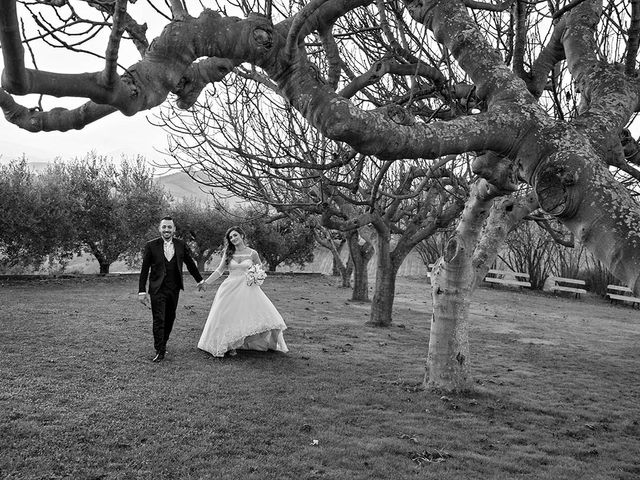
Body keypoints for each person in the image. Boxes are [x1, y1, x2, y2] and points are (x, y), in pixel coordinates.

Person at [197, 226, 288, 358]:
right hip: (229, 287)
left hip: (247, 288)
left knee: (249, 315)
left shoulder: (253, 253)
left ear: (242, 236)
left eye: (235, 235)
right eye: (230, 237)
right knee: (227, 315)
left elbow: (260, 270)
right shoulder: (228, 252)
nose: (233, 238)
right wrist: (206, 282)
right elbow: (219, 270)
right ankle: (230, 345)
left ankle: (241, 342)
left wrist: (255, 277)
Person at [139, 216, 204, 362]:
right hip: (157, 289)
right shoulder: (151, 245)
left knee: (170, 317)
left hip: (174, 288)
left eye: (169, 227)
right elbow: (144, 270)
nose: (166, 230)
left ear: (174, 229)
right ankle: (159, 349)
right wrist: (142, 291)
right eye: (164, 227)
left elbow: (190, 264)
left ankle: (164, 342)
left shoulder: (181, 244)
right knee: (159, 319)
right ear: (160, 229)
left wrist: (199, 280)